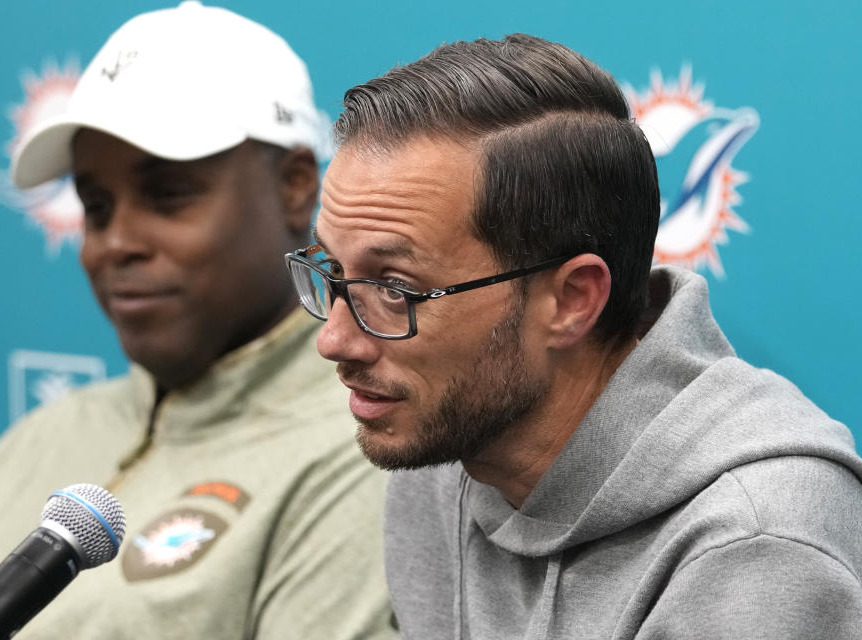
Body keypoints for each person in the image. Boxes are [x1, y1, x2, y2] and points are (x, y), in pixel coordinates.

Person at [283, 34, 862, 638]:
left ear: (572, 300)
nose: (335, 340)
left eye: (397, 288)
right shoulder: (441, 445)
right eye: (332, 271)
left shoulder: (758, 541)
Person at [0, 3, 395, 639]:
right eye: (96, 206)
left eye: (168, 195)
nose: (116, 242)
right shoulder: (30, 444)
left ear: (296, 184)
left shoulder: (374, 444)